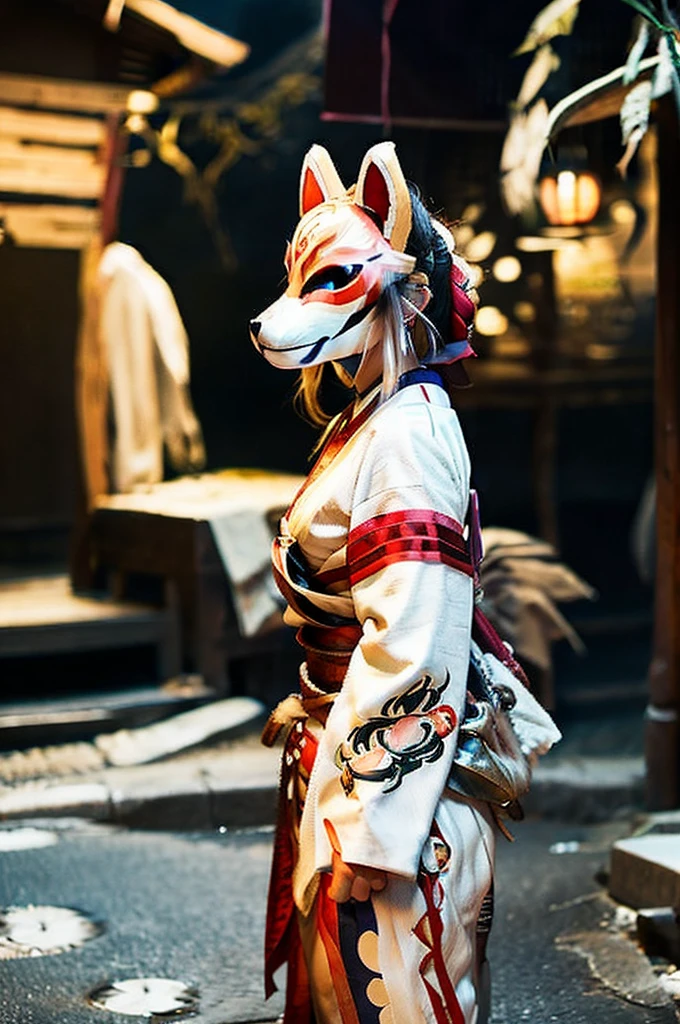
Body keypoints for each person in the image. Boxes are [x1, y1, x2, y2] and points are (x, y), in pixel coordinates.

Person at [250, 141, 560, 1024]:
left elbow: (413, 640)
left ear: (399, 287)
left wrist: (375, 824)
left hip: (390, 795)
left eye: (334, 281)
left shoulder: (405, 434)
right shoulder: (378, 418)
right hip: (362, 771)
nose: (292, 312)